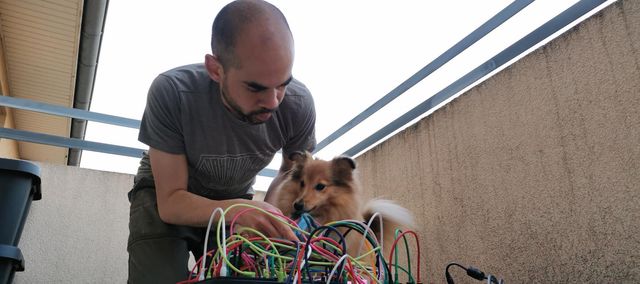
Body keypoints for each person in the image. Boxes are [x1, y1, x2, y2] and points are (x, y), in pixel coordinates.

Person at [126, 0, 316, 282]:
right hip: (164, 196)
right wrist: (240, 209)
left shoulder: (299, 105)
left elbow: (290, 172)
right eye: (255, 87)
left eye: (282, 83)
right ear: (216, 69)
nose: (273, 101)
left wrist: (270, 213)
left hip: (237, 201)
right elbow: (171, 202)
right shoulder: (172, 93)